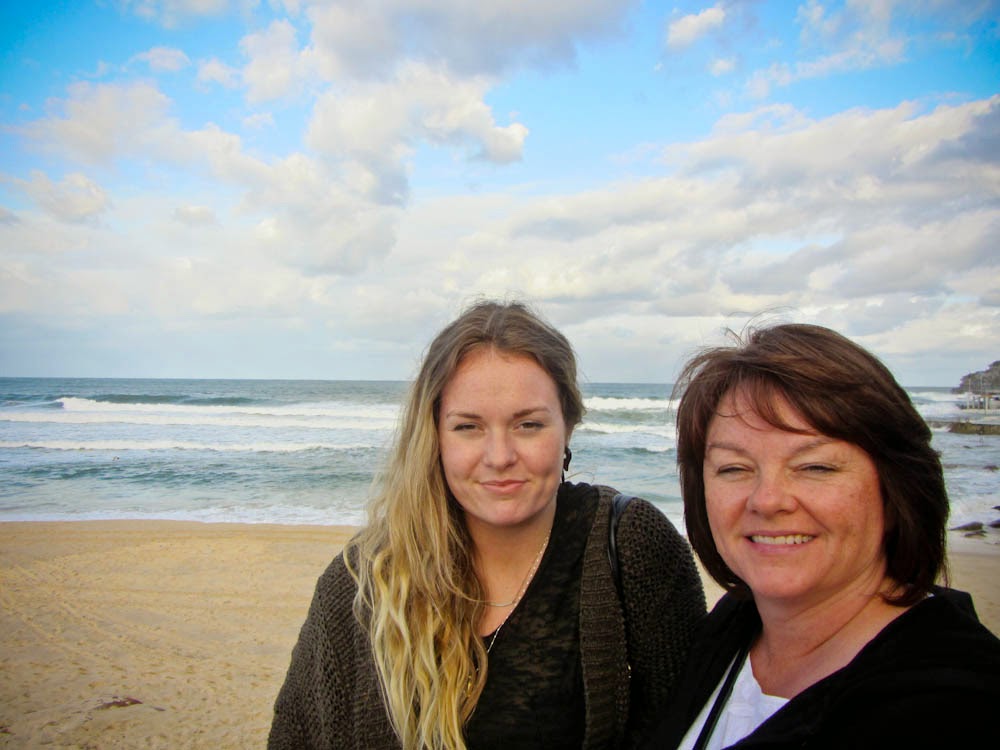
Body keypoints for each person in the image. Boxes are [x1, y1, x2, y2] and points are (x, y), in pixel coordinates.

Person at [269, 300, 705, 750]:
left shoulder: (632, 547)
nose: (499, 457)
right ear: (434, 436)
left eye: (528, 425)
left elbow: (694, 729)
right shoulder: (364, 580)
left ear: (568, 428)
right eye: (468, 427)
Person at [643, 323, 1000, 749]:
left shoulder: (957, 710)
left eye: (815, 467)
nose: (767, 500)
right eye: (734, 468)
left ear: (895, 489)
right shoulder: (732, 628)